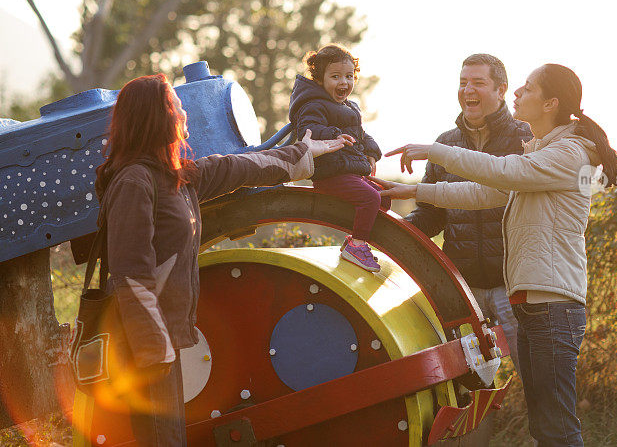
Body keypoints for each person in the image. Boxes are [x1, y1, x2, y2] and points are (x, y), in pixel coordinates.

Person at [95, 73, 348, 445]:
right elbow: (130, 274)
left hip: (163, 343)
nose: (183, 114)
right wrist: (154, 349)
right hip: (144, 349)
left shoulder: (178, 178)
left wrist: (306, 152)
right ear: (155, 117)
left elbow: (242, 166)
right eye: (175, 106)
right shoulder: (135, 182)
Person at [376, 63, 617, 447]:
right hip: (533, 303)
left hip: (553, 307)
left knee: (556, 425)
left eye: (527, 88)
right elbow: (484, 193)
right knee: (546, 424)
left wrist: (438, 152)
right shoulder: (546, 152)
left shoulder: (569, 154)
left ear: (551, 103)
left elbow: (504, 171)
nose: (518, 94)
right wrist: (413, 192)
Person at [404, 53, 531, 369]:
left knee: (532, 374)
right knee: (467, 382)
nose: (467, 90)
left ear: (501, 89)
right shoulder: (445, 144)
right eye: (462, 83)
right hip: (462, 287)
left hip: (512, 284)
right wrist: (396, 228)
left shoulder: (525, 138)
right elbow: (431, 213)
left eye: (478, 82)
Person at [288, 44, 389, 272]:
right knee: (371, 198)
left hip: (348, 170)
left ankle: (355, 239)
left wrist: (371, 151)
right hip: (330, 173)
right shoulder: (313, 104)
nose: (343, 82)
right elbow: (307, 130)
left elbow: (361, 134)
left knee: (384, 197)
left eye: (349, 76)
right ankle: (357, 245)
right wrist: (334, 135)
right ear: (320, 79)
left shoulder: (349, 107)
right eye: (335, 76)